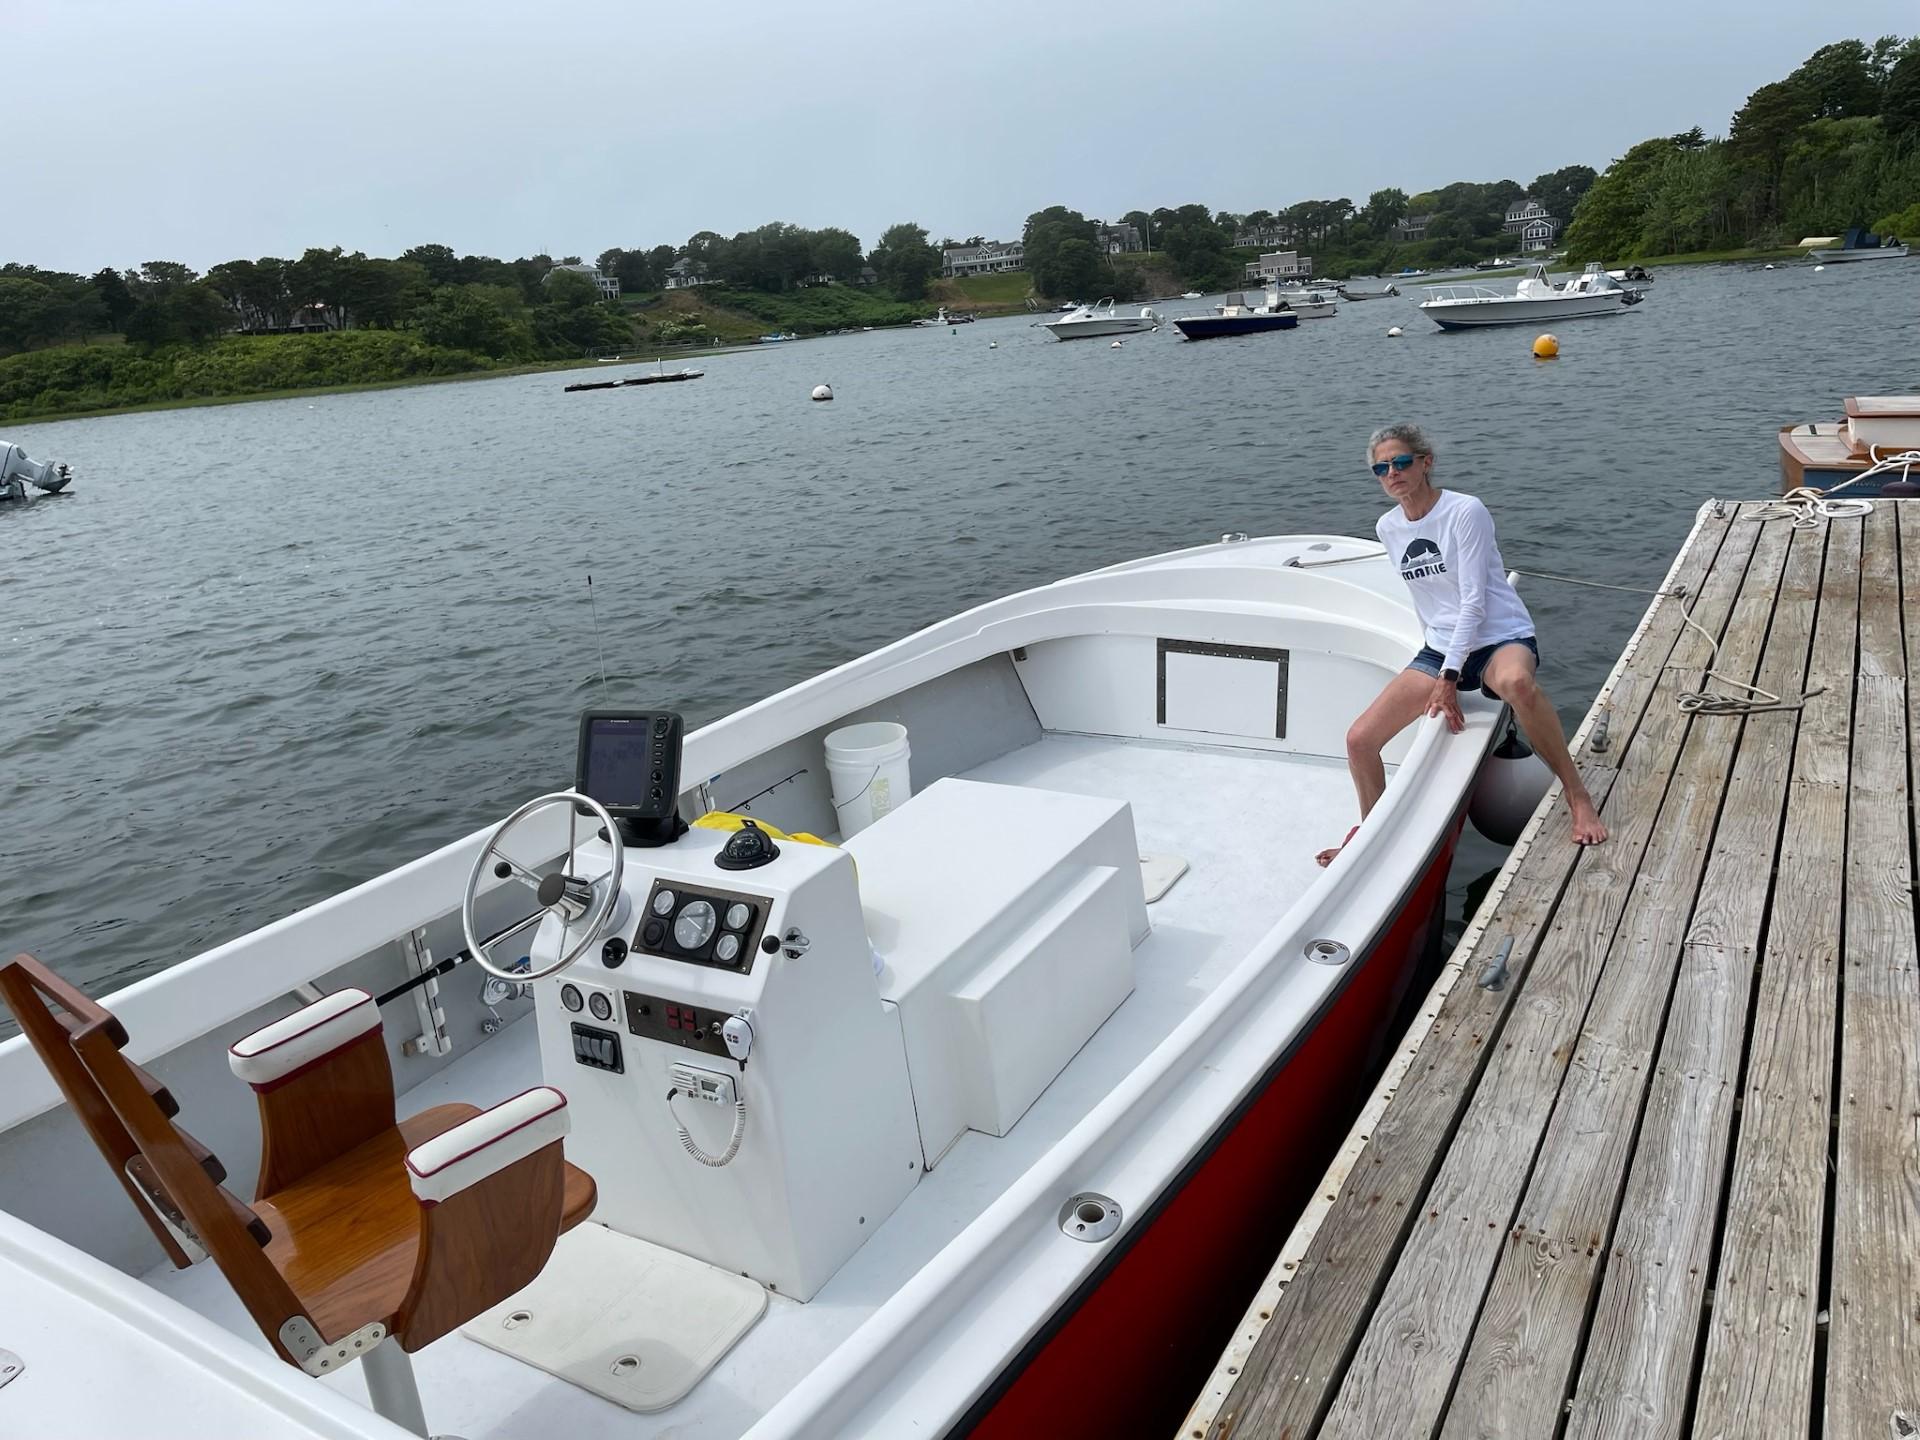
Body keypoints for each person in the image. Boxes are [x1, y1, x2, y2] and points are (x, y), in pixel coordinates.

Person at [1316, 424, 1607, 867]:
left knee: (1516, 683)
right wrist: (1434, 663)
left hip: (1497, 636)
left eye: (1400, 462)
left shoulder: (1464, 512)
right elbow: (1427, 600)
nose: (1391, 473)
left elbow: (1473, 600)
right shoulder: (1388, 527)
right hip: (1442, 647)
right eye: (1381, 468)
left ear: (1425, 461)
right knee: (1359, 739)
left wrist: (1448, 678)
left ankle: (1577, 794)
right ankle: (1371, 838)